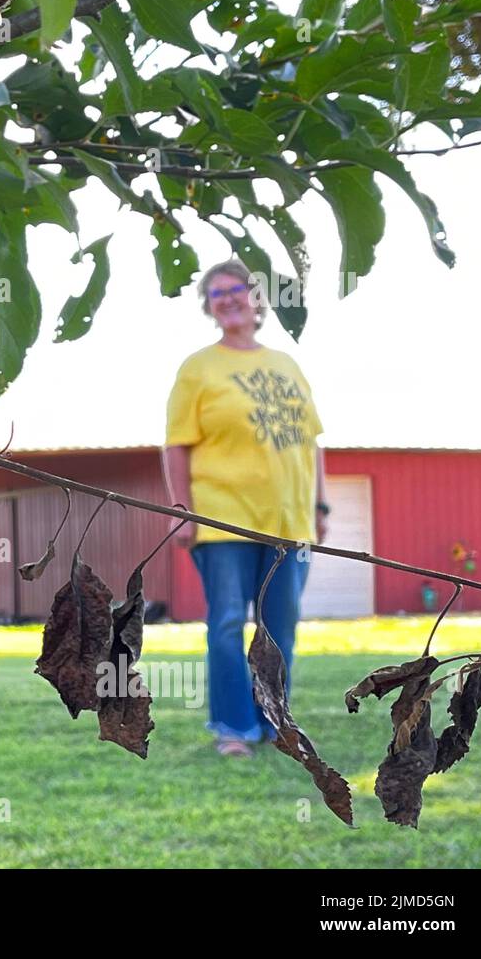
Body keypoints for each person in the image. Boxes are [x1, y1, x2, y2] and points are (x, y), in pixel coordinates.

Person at [162, 261, 328, 758]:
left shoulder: (287, 365)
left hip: (290, 521)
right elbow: (175, 445)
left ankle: (277, 724)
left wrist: (319, 504)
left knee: (280, 627)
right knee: (229, 622)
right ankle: (234, 728)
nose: (229, 298)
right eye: (216, 293)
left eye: (237, 289)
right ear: (209, 307)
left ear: (258, 299)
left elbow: (314, 442)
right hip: (223, 518)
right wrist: (181, 510)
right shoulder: (198, 367)